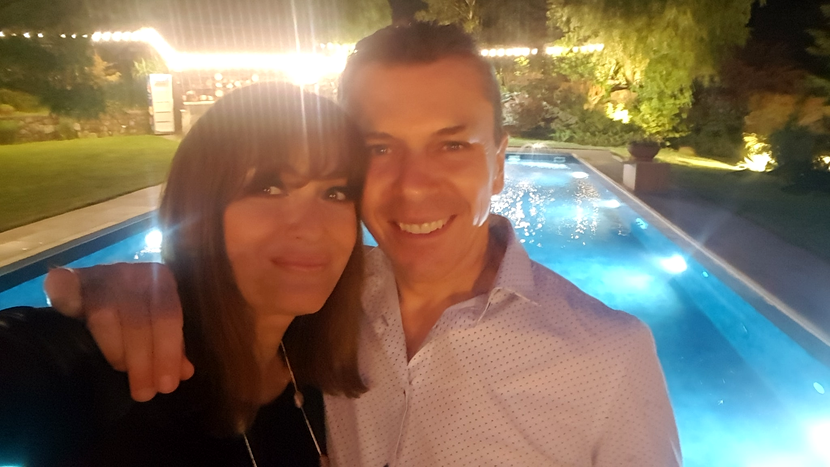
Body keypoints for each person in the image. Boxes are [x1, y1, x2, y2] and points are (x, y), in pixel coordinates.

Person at [44, 23, 682, 466]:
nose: (413, 186)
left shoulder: (607, 357)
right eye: (379, 148)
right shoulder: (316, 300)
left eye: (452, 144)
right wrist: (130, 283)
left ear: (497, 163)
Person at [0, 82, 368, 466]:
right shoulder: (103, 370)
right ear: (197, 216)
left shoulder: (317, 369)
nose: (313, 228)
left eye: (336, 192)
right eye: (270, 187)